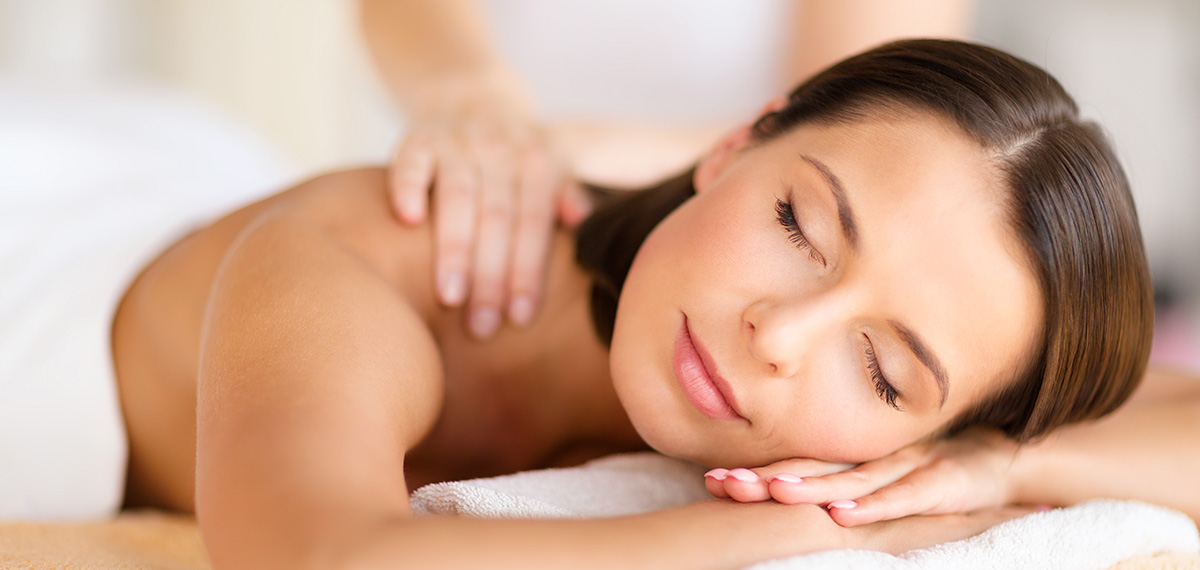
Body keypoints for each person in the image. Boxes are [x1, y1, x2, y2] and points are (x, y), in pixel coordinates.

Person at [100, 39, 1196, 568]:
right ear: (734, 146)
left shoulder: (956, 403)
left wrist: (999, 465)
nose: (779, 334)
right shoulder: (361, 264)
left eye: (883, 372)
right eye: (798, 225)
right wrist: (770, 528)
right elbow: (326, 561)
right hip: (66, 254)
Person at [358, 0, 975, 339]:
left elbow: (870, 141)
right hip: (468, 170)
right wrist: (474, 102)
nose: (777, 338)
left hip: (680, 215)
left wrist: (579, 151)